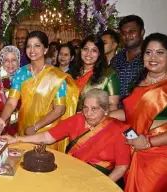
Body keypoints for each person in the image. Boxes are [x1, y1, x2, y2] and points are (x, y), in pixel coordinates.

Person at [2, 88, 130, 187]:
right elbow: (48, 137)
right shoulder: (77, 120)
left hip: (101, 178)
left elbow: (122, 167)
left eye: (94, 109)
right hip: (72, 174)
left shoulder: (119, 130)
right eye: (85, 108)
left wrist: (102, 184)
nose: (88, 113)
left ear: (106, 110)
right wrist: (18, 139)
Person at [0, 31, 79, 152]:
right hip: (24, 129)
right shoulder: (21, 73)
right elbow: (11, 102)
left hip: (46, 133)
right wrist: (1, 121)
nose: (32, 49)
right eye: (29, 46)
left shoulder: (56, 76)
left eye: (37, 45)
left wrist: (36, 126)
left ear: (45, 50)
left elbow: (60, 109)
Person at [110, 33, 167, 192]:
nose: (153, 57)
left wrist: (148, 142)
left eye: (160, 52)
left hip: (158, 157)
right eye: (148, 52)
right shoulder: (138, 82)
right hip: (132, 148)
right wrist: (105, 115)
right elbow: (131, 115)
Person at [70, 35, 120, 111]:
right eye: (85, 49)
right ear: (81, 50)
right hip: (68, 119)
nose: (88, 53)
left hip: (93, 120)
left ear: (100, 53)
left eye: (94, 50)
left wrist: (93, 115)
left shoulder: (108, 74)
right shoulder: (72, 73)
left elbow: (113, 106)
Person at [111, 15, 145, 107]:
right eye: (123, 33)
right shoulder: (116, 59)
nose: (127, 35)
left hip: (142, 113)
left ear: (142, 32)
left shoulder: (152, 58)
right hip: (116, 114)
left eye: (132, 31)